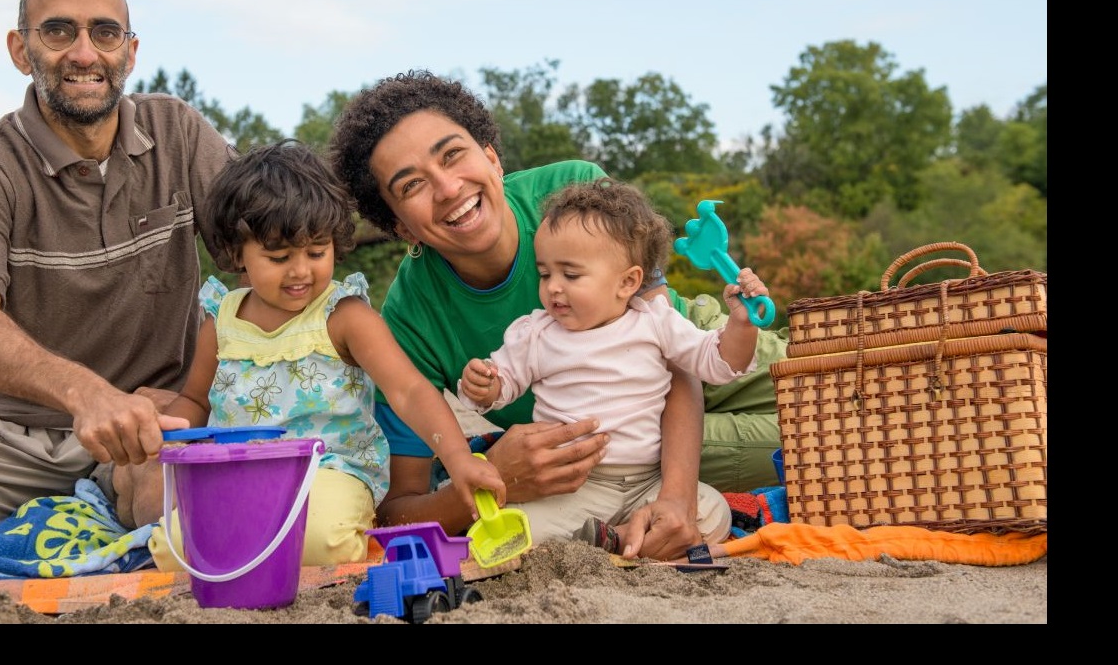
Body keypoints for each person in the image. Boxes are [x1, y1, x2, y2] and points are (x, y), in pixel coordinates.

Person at [328, 68, 786, 561]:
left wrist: (677, 496)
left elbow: (675, 359)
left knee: (850, 388)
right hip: (626, 442)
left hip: (699, 344)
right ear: (402, 228)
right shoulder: (410, 320)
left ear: (491, 157)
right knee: (826, 448)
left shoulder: (575, 192)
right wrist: (495, 476)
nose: (446, 187)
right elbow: (399, 510)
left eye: (453, 154)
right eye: (412, 184)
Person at [0, 0, 238, 533]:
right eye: (59, 31)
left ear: (129, 53)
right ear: (20, 49)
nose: (84, 53)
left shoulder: (179, 132)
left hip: (157, 422)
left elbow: (271, 252)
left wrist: (200, 394)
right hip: (16, 435)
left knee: (201, 518)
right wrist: (87, 394)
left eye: (104, 33)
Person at [130, 140, 506, 566]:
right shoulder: (223, 320)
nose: (301, 271)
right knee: (174, 549)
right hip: (237, 474)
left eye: (316, 251)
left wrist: (458, 459)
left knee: (325, 542)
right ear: (237, 253)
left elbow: (410, 392)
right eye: (277, 257)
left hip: (330, 471)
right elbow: (196, 400)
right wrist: (168, 429)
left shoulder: (343, 316)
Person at [456, 178, 772, 549]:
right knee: (525, 529)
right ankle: (622, 540)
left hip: (650, 480)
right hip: (576, 484)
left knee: (712, 512)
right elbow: (502, 382)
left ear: (627, 282)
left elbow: (717, 362)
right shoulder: (537, 333)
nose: (554, 287)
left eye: (571, 275)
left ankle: (616, 538)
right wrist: (484, 384)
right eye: (545, 274)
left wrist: (741, 324)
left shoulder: (655, 322)